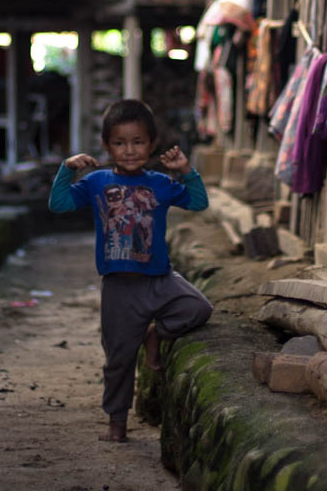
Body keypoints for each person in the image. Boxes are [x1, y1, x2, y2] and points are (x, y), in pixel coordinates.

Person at [49, 99, 213, 443]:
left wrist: (185, 170)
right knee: (118, 360)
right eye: (120, 143)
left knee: (198, 308)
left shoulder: (161, 183)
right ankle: (117, 424)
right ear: (107, 146)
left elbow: (198, 202)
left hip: (159, 279)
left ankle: (156, 335)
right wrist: (68, 168)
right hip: (119, 290)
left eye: (138, 142)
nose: (129, 151)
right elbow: (59, 204)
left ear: (152, 144)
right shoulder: (96, 183)